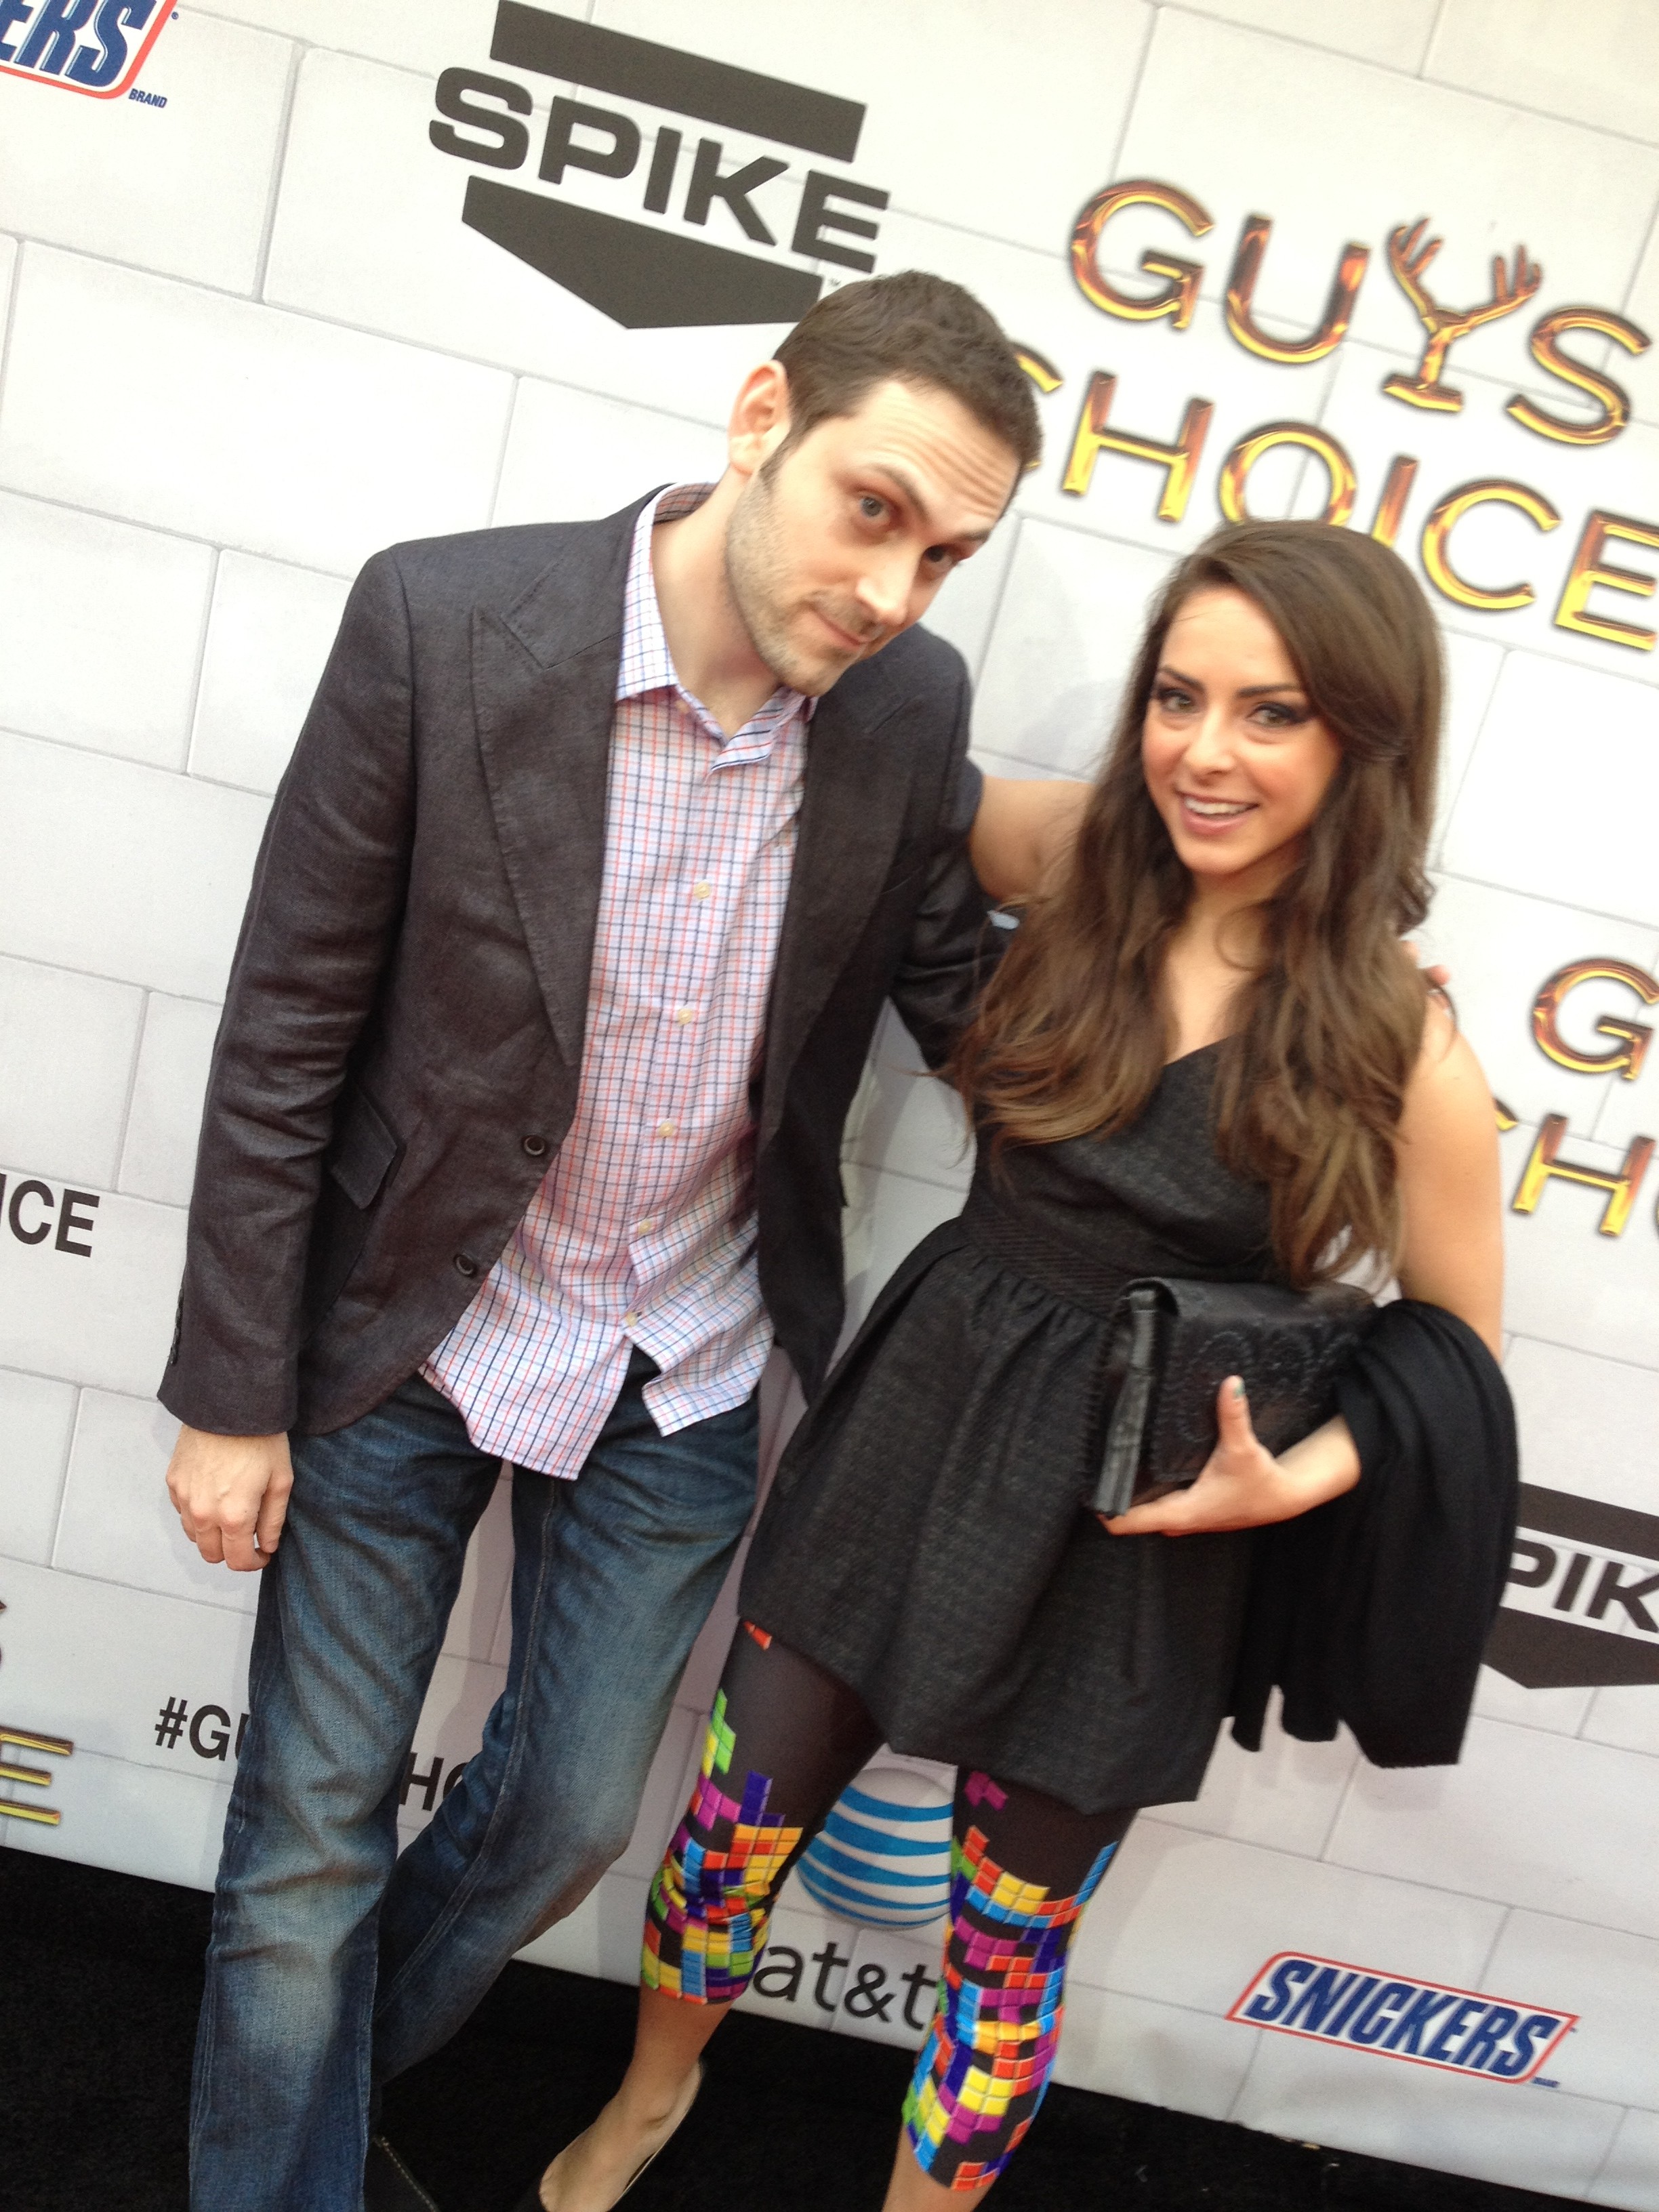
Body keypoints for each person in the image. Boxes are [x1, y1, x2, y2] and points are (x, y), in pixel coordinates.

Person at [158, 270, 1046, 2212]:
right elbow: (287, 1024)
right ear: (762, 419)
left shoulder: (906, 708)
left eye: (947, 556)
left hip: (687, 1353)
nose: (895, 590)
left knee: (566, 1819)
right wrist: (231, 1394)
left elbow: (958, 1001)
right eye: (875, 511)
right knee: (306, 1842)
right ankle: (280, 2164)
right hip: (410, 1328)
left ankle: (290, 2095)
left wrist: (1247, 1017)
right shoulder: (445, 619)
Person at [525, 520, 1509, 2211]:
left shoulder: (1403, 1045)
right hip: (927, 1418)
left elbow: (1455, 1357)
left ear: (1367, 739)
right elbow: (895, 779)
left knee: (1006, 1953)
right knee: (726, 1840)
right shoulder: (1081, 856)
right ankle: (653, 2098)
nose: (1206, 753)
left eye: (1272, 713)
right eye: (1179, 697)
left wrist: (1291, 1479)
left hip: (1140, 1528)